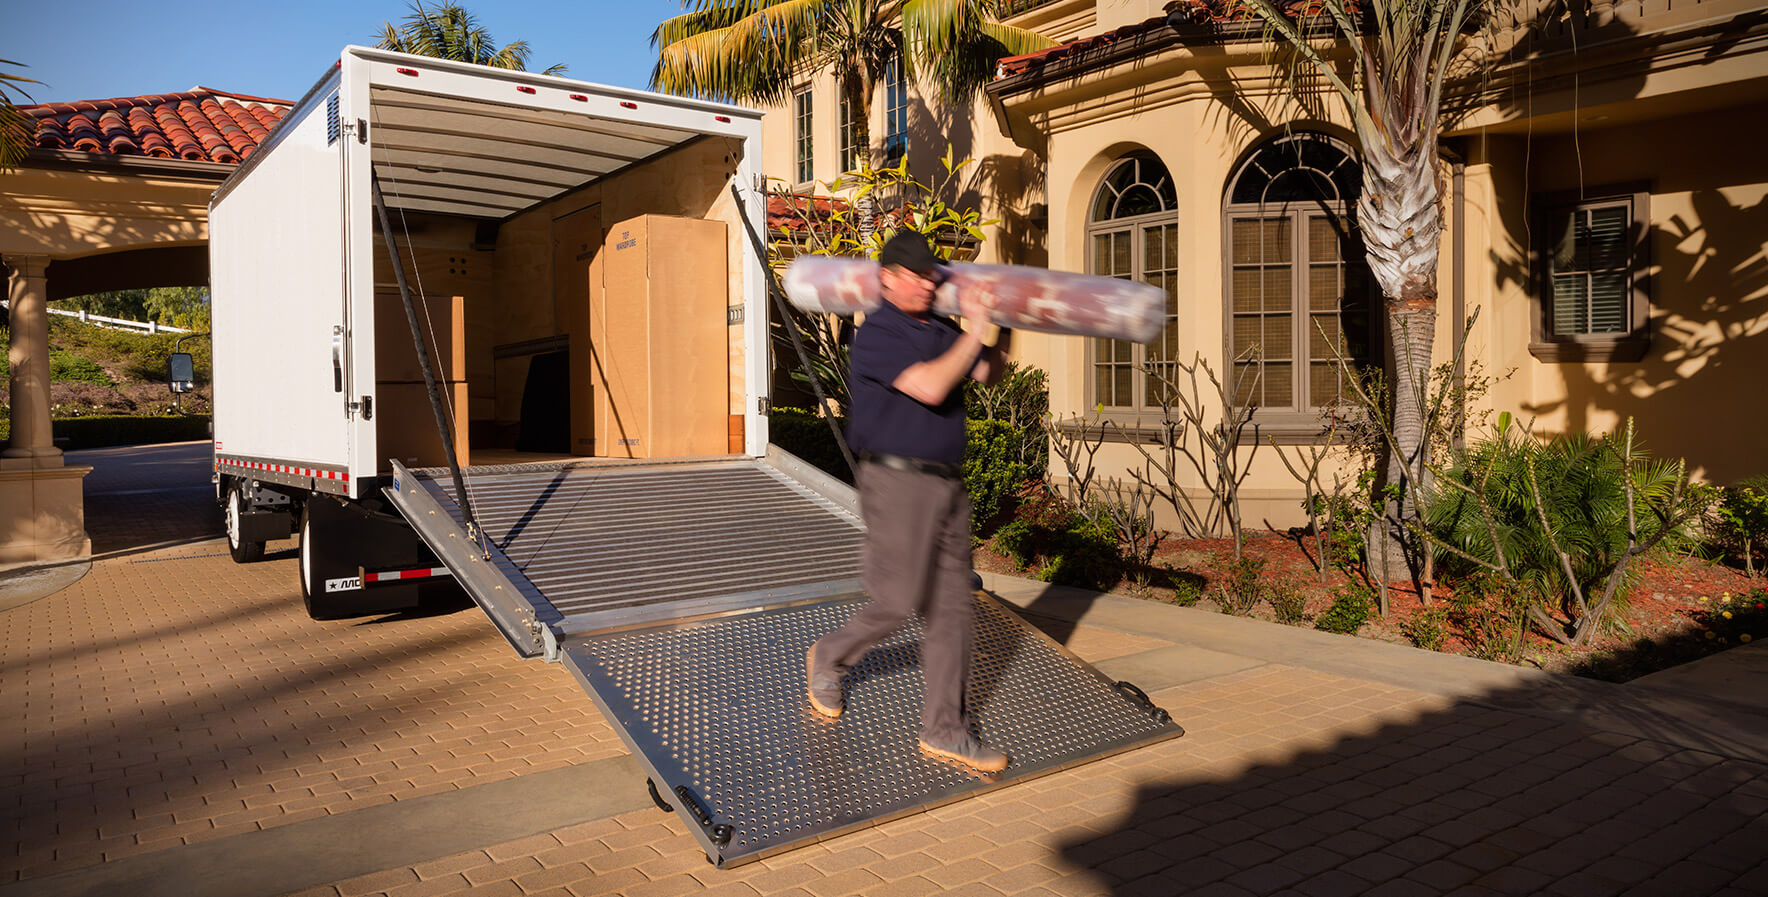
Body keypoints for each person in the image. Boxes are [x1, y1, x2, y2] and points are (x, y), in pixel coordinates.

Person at [805, 230, 1013, 773]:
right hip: (897, 482)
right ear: (889, 277)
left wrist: (1001, 319)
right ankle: (830, 655)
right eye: (915, 275)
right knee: (897, 600)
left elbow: (990, 370)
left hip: (948, 482)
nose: (926, 283)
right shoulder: (878, 333)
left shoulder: (943, 327)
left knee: (952, 611)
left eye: (931, 276)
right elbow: (929, 388)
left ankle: (946, 731)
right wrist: (973, 335)